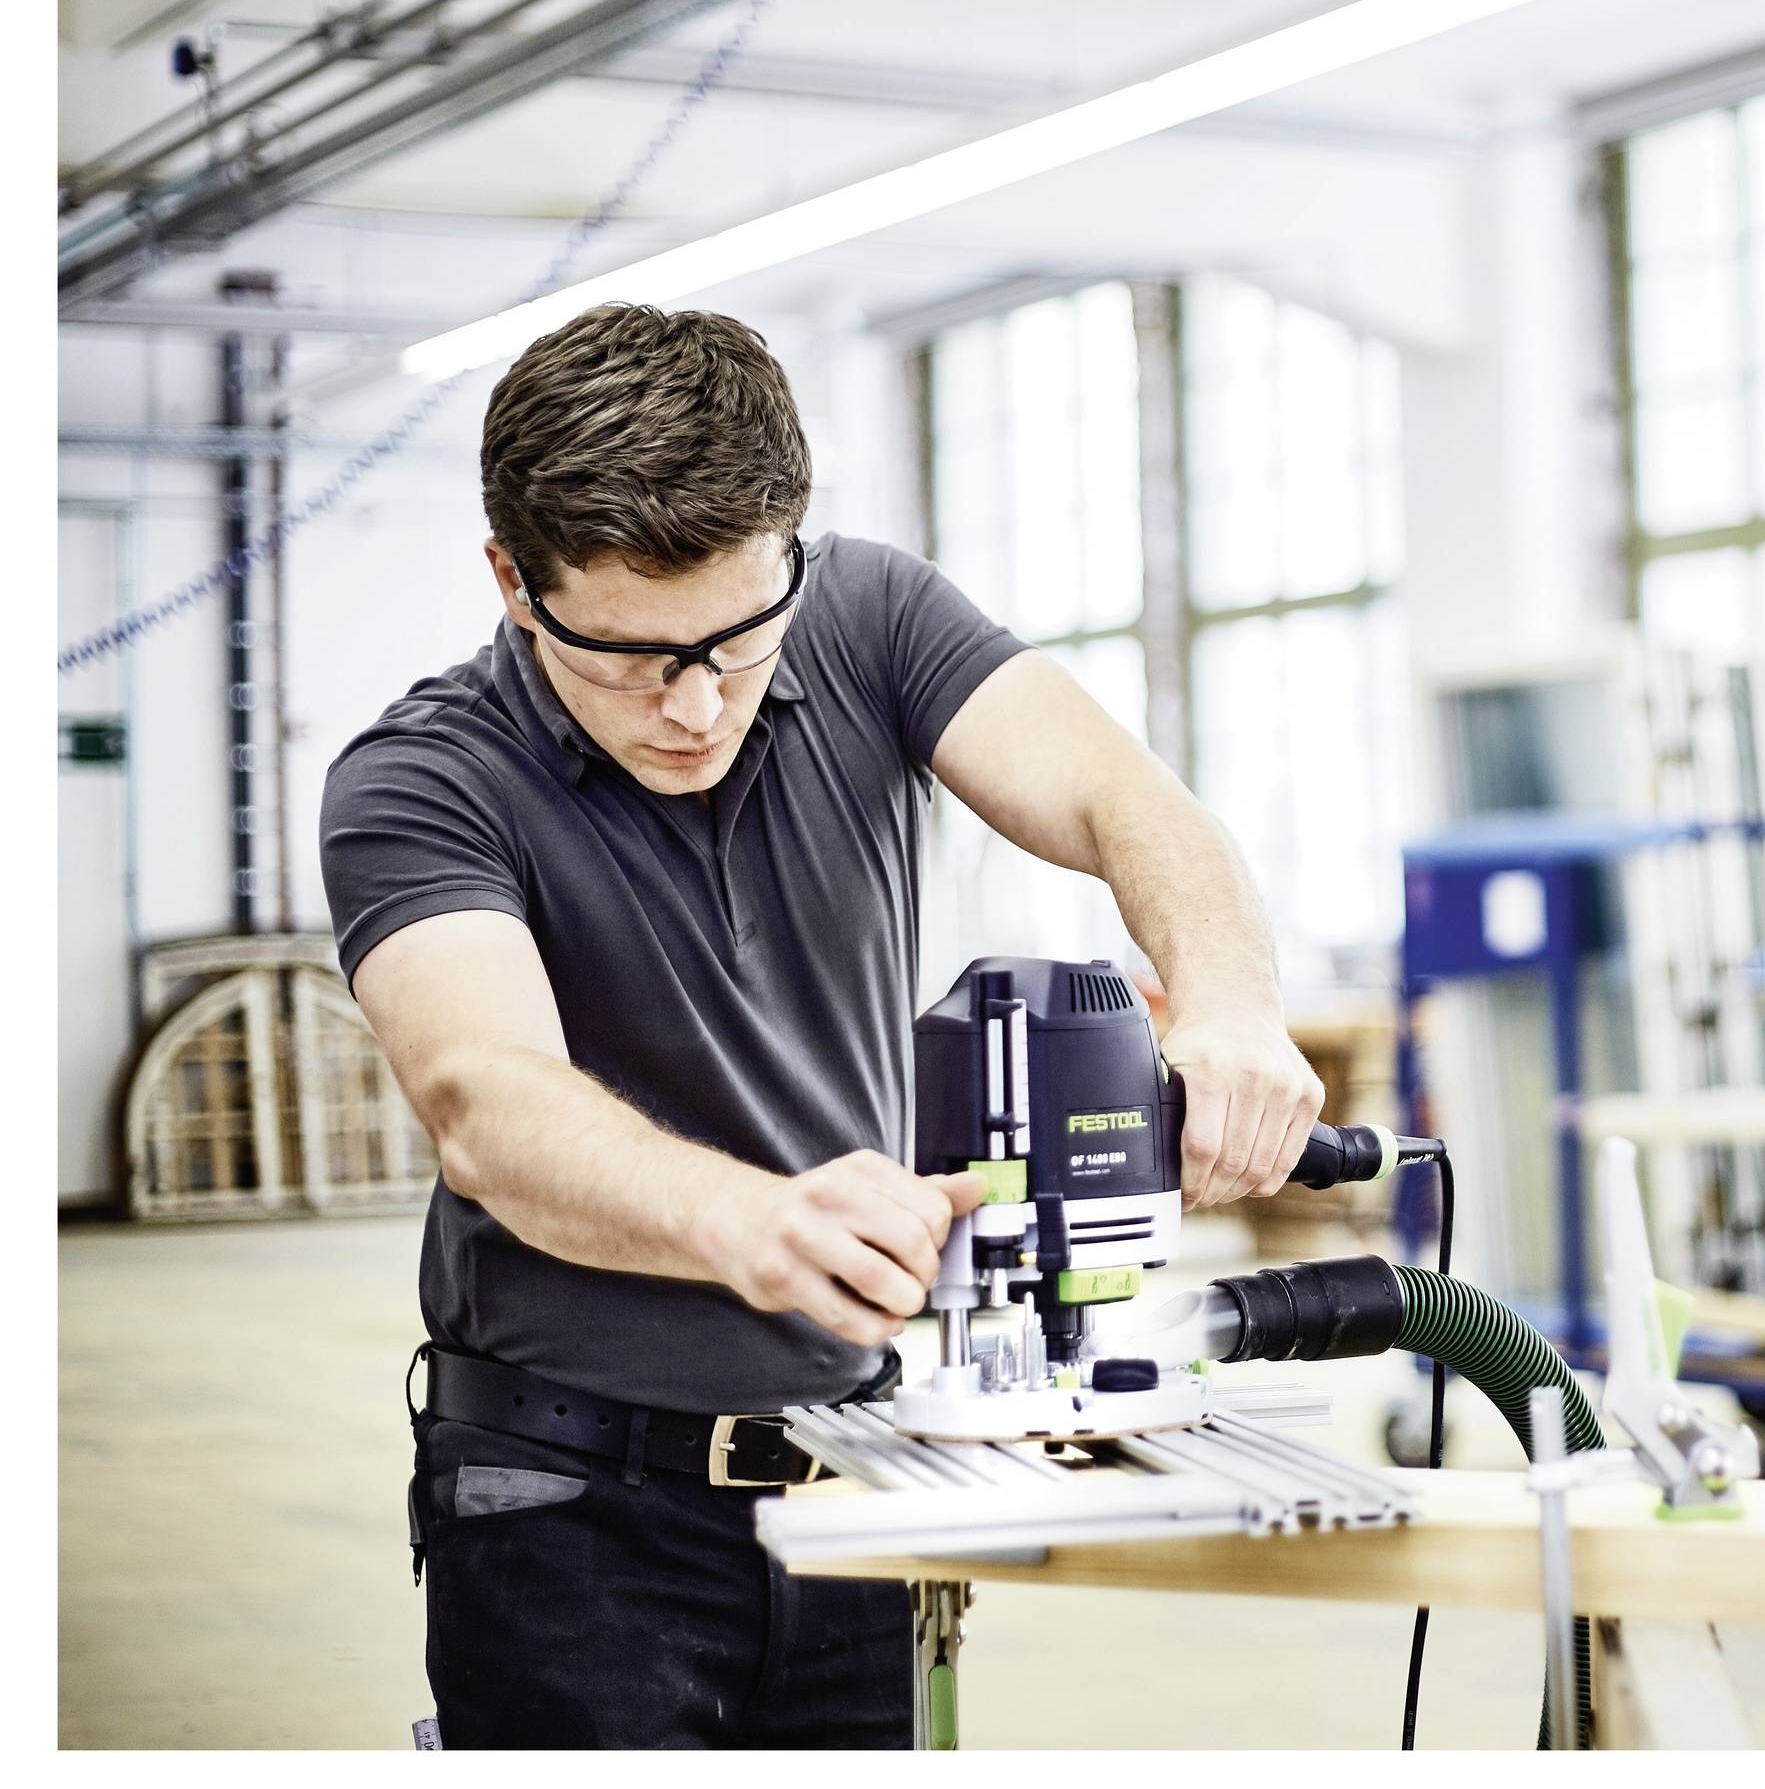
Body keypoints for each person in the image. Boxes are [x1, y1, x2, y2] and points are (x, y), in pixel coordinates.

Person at [324, 302, 1324, 1749]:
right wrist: (755, 1223)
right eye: (629, 658)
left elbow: (1128, 802)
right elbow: (487, 1102)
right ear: (512, 582)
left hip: (858, 1470)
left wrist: (1231, 1004)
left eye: (737, 639)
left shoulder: (873, 617)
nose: (695, 703)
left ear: (792, 546)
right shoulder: (421, 781)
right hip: (566, 1513)